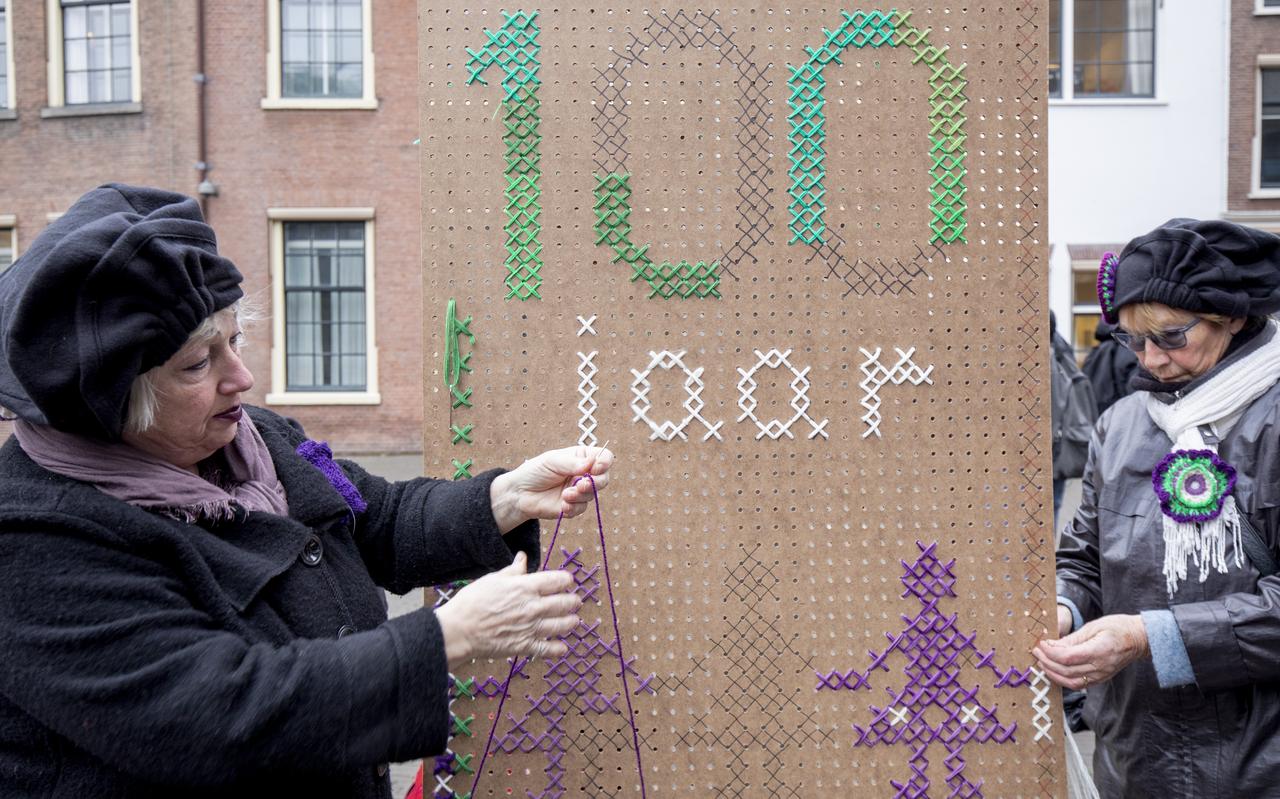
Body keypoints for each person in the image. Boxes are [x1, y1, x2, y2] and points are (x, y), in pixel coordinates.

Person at [0, 184, 613, 798]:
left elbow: (375, 519)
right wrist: (447, 637)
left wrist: (503, 499)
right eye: (197, 364)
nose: (242, 378)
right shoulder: (34, 542)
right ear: (110, 398)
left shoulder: (255, 438)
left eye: (234, 341)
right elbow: (221, 719)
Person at [1033, 218, 1280, 797]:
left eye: (1170, 337)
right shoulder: (1121, 424)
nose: (1150, 360)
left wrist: (1152, 636)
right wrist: (1064, 609)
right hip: (1133, 756)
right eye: (1132, 340)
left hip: (1257, 763)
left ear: (1231, 317)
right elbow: (1084, 559)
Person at [1049, 311, 1098, 521]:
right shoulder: (1064, 353)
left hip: (1052, 448)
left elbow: (1055, 405)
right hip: (1060, 447)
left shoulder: (1050, 358)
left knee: (1048, 506)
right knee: (1053, 505)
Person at [1082, 319, 1139, 414]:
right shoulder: (1129, 350)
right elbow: (1136, 395)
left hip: (1095, 415)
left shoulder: (1094, 352)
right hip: (1119, 415)